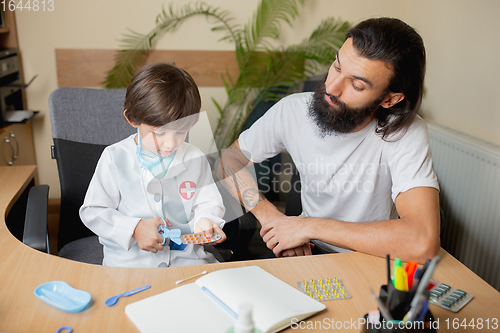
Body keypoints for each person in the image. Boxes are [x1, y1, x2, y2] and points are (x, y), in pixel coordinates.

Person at [217, 17, 440, 264]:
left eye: (356, 84)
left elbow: (421, 242)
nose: (331, 87)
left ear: (390, 99)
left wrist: (310, 227)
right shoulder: (292, 111)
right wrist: (273, 219)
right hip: (306, 249)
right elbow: (228, 162)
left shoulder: (405, 132)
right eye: (337, 65)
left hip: (371, 257)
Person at [80, 62, 226, 267]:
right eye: (159, 133)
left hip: (186, 260)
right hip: (131, 263)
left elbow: (208, 202)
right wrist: (134, 228)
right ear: (132, 119)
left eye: (181, 132)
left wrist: (205, 220)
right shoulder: (114, 157)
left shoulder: (195, 158)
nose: (170, 143)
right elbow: (93, 210)